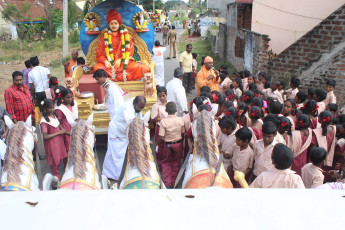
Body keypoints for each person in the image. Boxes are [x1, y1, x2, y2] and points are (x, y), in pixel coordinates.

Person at [93, 9, 150, 81]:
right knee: (97, 68)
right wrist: (105, 61)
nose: (114, 25)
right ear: (109, 24)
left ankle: (115, 77)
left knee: (144, 68)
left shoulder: (127, 36)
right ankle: (120, 76)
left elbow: (129, 52)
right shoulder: (104, 38)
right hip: (110, 66)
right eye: (111, 23)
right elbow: (99, 53)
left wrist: (120, 59)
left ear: (119, 24)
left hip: (124, 64)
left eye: (115, 23)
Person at [102, 96, 146, 181]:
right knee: (114, 155)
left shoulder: (136, 104)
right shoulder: (128, 110)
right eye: (139, 108)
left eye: (142, 108)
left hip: (125, 132)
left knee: (124, 156)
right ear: (134, 104)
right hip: (116, 131)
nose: (140, 110)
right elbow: (132, 124)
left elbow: (139, 119)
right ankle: (109, 176)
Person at [157, 102, 185, 188]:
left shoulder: (163, 121)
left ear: (166, 111)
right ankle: (174, 182)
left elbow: (161, 136)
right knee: (176, 163)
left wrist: (156, 144)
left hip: (168, 145)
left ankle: (167, 183)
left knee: (166, 162)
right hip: (178, 144)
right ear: (176, 111)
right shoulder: (181, 120)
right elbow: (183, 132)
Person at [40, 99, 68, 179]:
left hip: (59, 142)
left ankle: (61, 177)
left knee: (60, 159)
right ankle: (56, 178)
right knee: (54, 162)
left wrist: (66, 132)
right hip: (52, 144)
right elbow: (45, 136)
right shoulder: (44, 121)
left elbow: (61, 127)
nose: (52, 109)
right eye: (49, 108)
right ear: (45, 109)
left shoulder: (54, 116)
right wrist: (59, 133)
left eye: (53, 107)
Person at [55, 87, 78, 153]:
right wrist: (63, 130)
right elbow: (57, 122)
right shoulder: (60, 109)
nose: (70, 99)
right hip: (67, 131)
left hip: (75, 128)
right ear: (62, 98)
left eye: (71, 97)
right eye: (67, 97)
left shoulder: (74, 104)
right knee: (69, 149)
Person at [151, 86, 169, 170]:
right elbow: (153, 119)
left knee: (168, 145)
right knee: (159, 147)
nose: (162, 98)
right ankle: (160, 165)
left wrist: (160, 118)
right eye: (160, 96)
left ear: (166, 95)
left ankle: (167, 163)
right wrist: (159, 119)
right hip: (159, 127)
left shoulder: (170, 103)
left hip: (169, 127)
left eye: (163, 96)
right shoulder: (156, 106)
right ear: (157, 96)